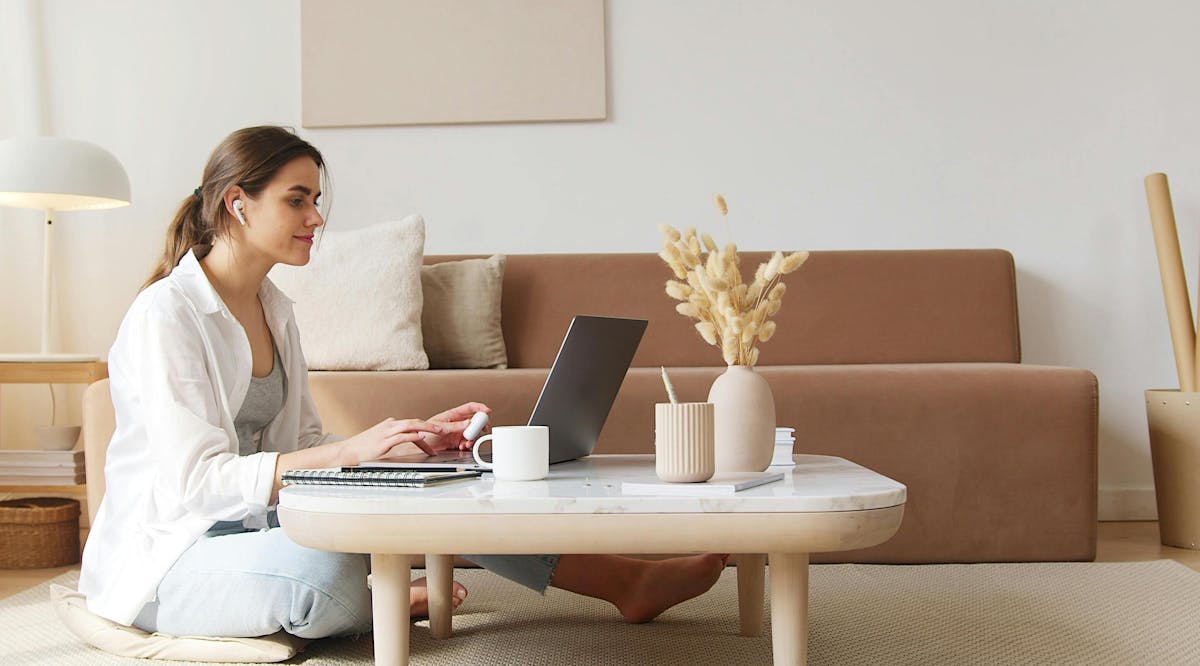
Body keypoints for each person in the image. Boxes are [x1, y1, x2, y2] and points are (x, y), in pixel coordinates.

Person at [78, 126, 726, 640]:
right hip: (173, 556)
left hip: (258, 526)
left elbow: (304, 442)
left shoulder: (275, 308)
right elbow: (197, 482)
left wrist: (399, 448)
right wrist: (350, 452)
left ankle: (625, 581)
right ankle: (375, 601)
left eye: (316, 200)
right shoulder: (169, 315)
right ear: (236, 203)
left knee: (445, 491)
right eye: (296, 199)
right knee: (325, 568)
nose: (316, 217)